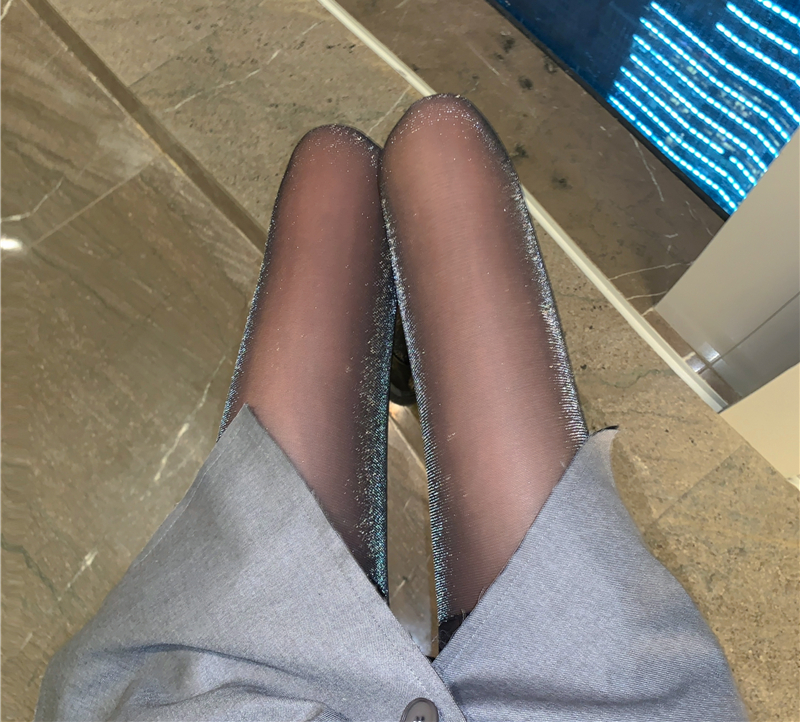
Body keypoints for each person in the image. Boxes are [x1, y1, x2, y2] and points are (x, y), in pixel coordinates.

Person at [35, 95, 746, 722]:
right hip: (586, 692)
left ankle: (399, 334)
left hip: (227, 683)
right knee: (436, 147)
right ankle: (403, 334)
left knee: (343, 168)